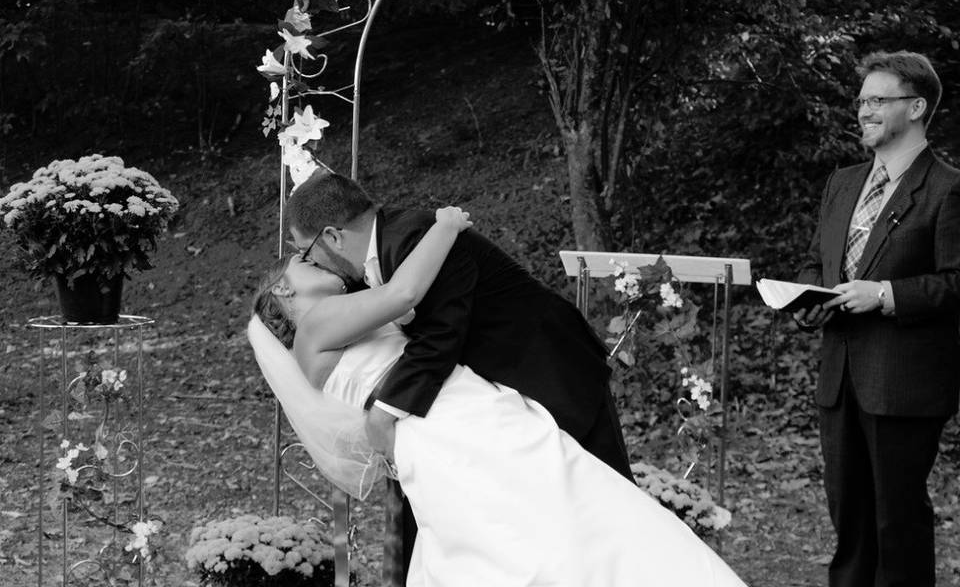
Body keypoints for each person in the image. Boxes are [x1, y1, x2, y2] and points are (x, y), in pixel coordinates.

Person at [250, 206, 747, 587]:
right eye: (298, 261)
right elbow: (403, 295)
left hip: (459, 410)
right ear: (285, 294)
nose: (306, 258)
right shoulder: (313, 327)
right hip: (442, 424)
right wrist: (444, 224)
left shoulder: (342, 313)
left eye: (306, 249)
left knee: (528, 517)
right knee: (534, 521)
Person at [283, 171, 633, 567]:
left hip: (553, 370)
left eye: (306, 251)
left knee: (610, 505)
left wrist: (383, 414)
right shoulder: (385, 253)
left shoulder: (413, 238)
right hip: (483, 394)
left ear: (332, 236)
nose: (309, 261)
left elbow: (438, 338)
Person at [794, 50, 960, 587]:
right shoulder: (842, 182)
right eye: (862, 100)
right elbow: (817, 262)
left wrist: (885, 294)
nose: (864, 110)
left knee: (897, 520)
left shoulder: (948, 188)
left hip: (904, 382)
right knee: (849, 519)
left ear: (916, 107)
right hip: (838, 381)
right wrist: (804, 299)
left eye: (877, 100)